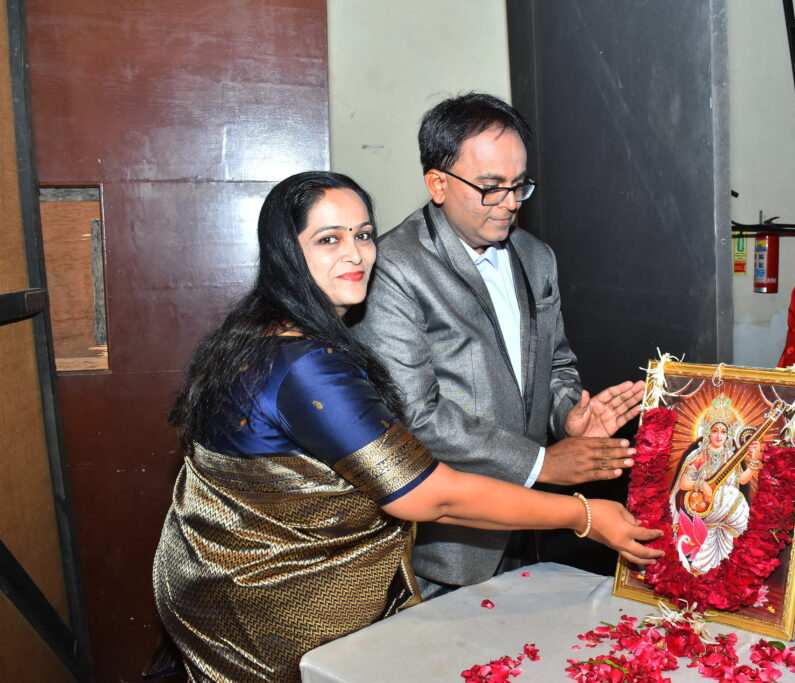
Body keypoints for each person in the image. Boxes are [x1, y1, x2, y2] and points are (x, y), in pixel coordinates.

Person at [151, 171, 662, 682]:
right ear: (287, 252)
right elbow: (430, 497)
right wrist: (583, 515)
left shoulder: (263, 333)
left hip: (219, 585)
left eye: (363, 234)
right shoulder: (307, 366)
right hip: (279, 610)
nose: (356, 254)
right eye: (329, 239)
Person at [349, 93, 645, 596]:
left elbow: (556, 363)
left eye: (519, 185)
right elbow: (415, 416)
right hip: (446, 547)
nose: (510, 203)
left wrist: (569, 416)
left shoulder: (536, 256)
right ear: (437, 183)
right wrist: (542, 463)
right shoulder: (395, 267)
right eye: (490, 188)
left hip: (533, 531)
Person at [668, 393, 761, 574]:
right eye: (715, 430)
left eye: (723, 432)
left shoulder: (730, 456)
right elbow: (685, 483)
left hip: (725, 507)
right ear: (708, 432)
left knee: (735, 500)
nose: (719, 436)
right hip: (702, 505)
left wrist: (754, 459)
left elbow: (741, 480)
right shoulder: (699, 455)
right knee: (736, 499)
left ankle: (716, 570)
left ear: (729, 434)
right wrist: (702, 485)